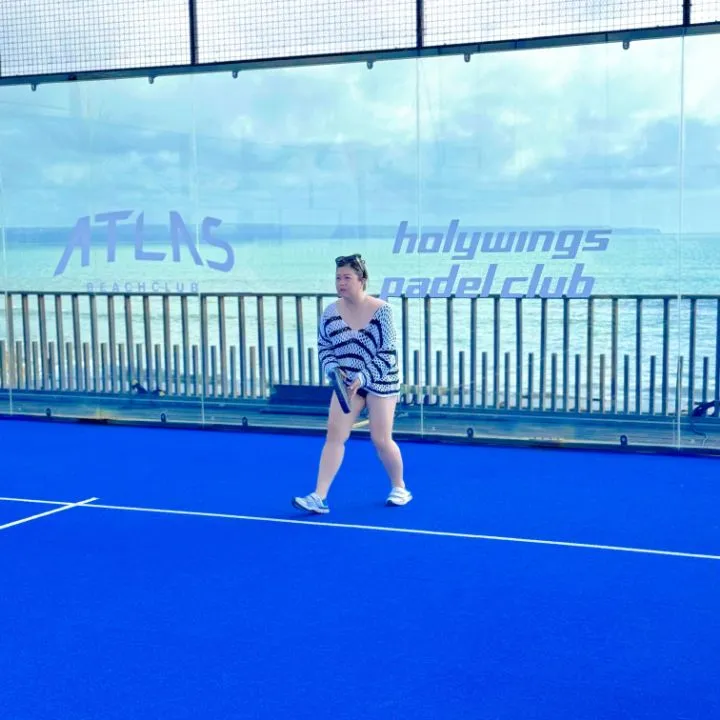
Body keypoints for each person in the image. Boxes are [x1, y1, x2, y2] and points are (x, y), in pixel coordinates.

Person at [292, 253, 412, 514]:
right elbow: (324, 347)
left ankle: (400, 487)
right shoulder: (330, 312)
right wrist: (333, 369)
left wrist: (363, 377)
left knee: (381, 439)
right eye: (338, 278)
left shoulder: (382, 311)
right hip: (346, 383)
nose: (341, 283)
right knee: (334, 435)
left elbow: (388, 354)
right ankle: (319, 496)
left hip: (381, 380)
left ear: (362, 280)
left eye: (347, 277)